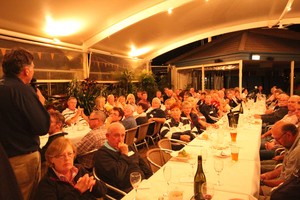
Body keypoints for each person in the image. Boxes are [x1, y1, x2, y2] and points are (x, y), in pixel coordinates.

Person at [0, 48, 50, 200]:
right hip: (22, 159)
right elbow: (42, 127)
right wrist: (41, 105)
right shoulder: (22, 90)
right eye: (33, 67)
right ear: (26, 71)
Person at [35, 137, 107, 199]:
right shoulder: (47, 183)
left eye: (69, 154)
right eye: (61, 155)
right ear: (51, 159)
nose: (67, 158)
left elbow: (102, 192)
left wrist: (94, 184)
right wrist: (77, 191)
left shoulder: (79, 169)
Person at [94, 122, 152, 198]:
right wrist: (124, 154)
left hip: (142, 185)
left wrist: (151, 180)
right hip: (123, 192)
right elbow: (118, 175)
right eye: (116, 135)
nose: (120, 139)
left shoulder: (129, 147)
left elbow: (143, 165)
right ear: (107, 136)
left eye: (123, 135)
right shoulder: (102, 154)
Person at [260, 122, 300, 196]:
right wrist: (268, 175)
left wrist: (263, 182)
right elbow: (286, 166)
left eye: (277, 139)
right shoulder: (292, 141)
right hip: (284, 184)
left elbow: (286, 183)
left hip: (287, 192)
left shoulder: (297, 152)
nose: (276, 143)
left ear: (288, 135)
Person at [40, 110, 67, 175]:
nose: (46, 124)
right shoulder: (59, 137)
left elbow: (41, 158)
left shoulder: (55, 142)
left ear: (58, 125)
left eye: (50, 122)